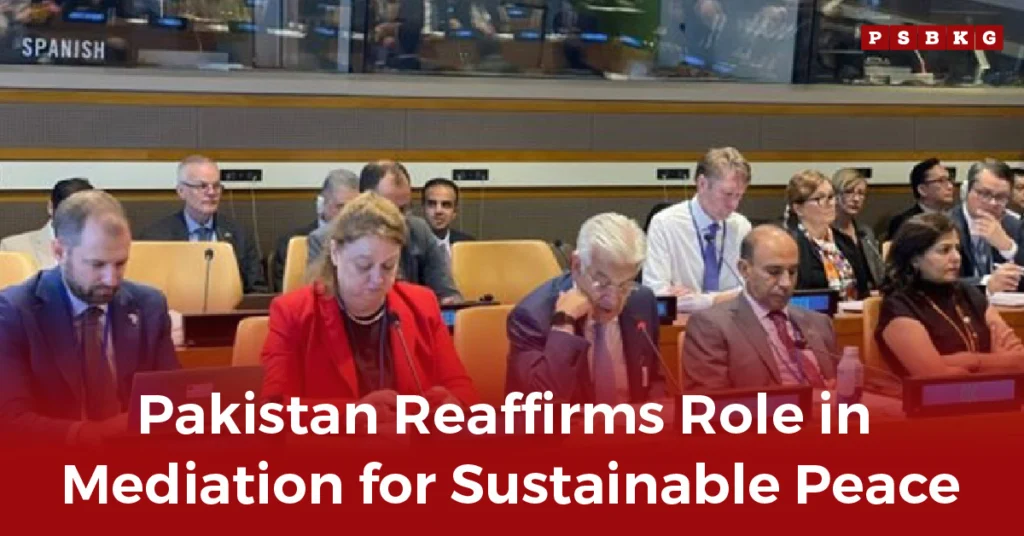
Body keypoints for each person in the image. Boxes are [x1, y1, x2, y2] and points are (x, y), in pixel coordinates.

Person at [260, 192, 478, 418]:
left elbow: (463, 389)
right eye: (363, 266)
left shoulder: (422, 304)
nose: (378, 280)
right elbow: (272, 410)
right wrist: (353, 414)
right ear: (335, 253)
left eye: (388, 266)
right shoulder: (293, 312)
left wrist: (453, 403)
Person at [0, 190, 180, 445]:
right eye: (97, 265)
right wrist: (93, 435)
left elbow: (171, 400)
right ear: (59, 252)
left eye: (120, 264)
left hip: (134, 455)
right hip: (53, 456)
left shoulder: (148, 305)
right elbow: (11, 421)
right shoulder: (14, 311)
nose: (111, 280)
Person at [506, 212, 665, 405]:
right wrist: (563, 325)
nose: (613, 301)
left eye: (625, 285)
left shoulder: (642, 301)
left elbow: (653, 381)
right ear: (576, 264)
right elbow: (539, 405)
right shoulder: (533, 316)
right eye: (602, 283)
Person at [682, 224, 837, 391]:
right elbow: (709, 401)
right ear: (744, 269)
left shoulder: (819, 322)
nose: (786, 283)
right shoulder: (711, 326)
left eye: (792, 272)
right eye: (774, 272)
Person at [875, 212, 1024, 378]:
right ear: (915, 259)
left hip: (996, 391)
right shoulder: (900, 306)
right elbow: (937, 377)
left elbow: (1019, 361)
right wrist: (997, 362)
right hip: (933, 395)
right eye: (944, 250)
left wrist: (969, 361)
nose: (956, 257)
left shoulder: (969, 293)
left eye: (957, 249)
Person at [307, 160, 461, 303]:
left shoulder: (419, 230)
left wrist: (449, 304)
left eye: (403, 209)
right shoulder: (326, 238)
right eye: (388, 208)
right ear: (364, 200)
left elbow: (447, 293)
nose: (397, 218)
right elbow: (321, 303)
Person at [642, 147, 752, 312]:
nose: (733, 205)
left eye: (739, 196)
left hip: (731, 322)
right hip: (682, 323)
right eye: (727, 194)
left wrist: (701, 301)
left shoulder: (741, 226)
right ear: (702, 184)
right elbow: (657, 302)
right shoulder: (665, 224)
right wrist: (728, 297)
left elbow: (752, 293)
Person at [139, 155, 267, 293]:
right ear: (181, 191)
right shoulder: (156, 237)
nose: (211, 192)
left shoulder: (240, 235)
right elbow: (145, 294)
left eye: (216, 186)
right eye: (202, 186)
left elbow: (257, 290)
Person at [785, 169, 872, 300]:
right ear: (798, 208)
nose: (831, 203)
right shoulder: (792, 246)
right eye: (820, 198)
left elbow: (863, 291)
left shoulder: (844, 242)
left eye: (831, 197)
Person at [270, 169, 359, 291]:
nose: (346, 215)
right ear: (321, 204)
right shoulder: (289, 244)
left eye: (352, 208)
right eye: (340, 207)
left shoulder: (365, 243)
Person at [947, 158, 1024, 293]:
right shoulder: (943, 227)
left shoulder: (1015, 226)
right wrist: (987, 283)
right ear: (966, 191)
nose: (993, 203)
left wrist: (1009, 248)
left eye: (1001, 197)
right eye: (984, 194)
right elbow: (938, 281)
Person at [0, 177, 93, 269]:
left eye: (83, 213)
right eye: (69, 213)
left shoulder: (101, 247)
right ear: (51, 208)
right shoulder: (12, 247)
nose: (75, 220)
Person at [832, 168, 884, 288]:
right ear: (835, 195)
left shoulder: (865, 233)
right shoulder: (826, 233)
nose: (856, 199)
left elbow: (879, 274)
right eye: (849, 192)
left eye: (861, 194)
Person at [886, 158, 955, 240]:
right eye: (941, 181)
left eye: (949, 180)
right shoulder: (906, 223)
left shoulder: (956, 220)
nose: (950, 186)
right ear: (922, 190)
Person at [422, 177, 475, 259]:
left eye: (446, 205)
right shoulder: (409, 246)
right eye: (432, 204)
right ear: (423, 208)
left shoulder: (468, 244)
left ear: (455, 212)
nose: (438, 211)